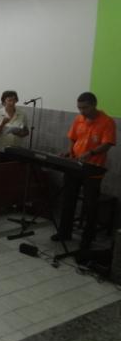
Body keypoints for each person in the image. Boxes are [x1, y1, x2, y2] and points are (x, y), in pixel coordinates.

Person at [52, 92, 116, 248]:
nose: (81, 111)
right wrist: (70, 152)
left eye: (85, 108)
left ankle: (88, 238)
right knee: (68, 200)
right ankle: (64, 232)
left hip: (93, 168)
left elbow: (107, 143)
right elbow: (73, 138)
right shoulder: (79, 119)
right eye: (79, 108)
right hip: (75, 165)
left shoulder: (107, 122)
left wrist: (91, 153)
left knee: (90, 204)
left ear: (94, 105)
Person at [0, 90, 29, 161]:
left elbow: (26, 132)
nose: (12, 102)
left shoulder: (22, 114)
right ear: (4, 101)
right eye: (9, 100)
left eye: (14, 100)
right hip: (0, 150)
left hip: (16, 150)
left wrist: (19, 133)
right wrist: (3, 124)